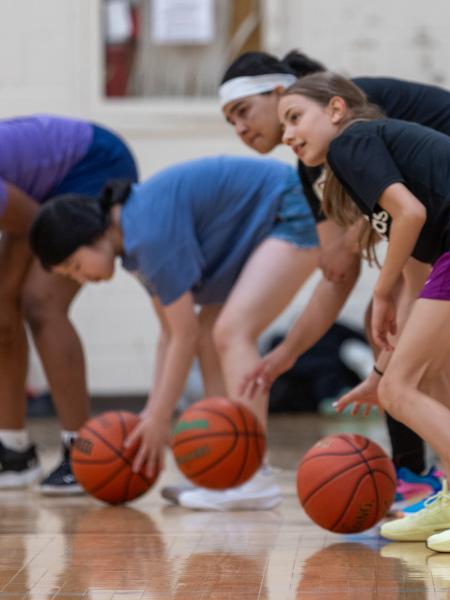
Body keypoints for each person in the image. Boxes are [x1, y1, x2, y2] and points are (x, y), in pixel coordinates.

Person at [219, 50, 450, 501]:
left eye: (243, 111)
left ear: (286, 94)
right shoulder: (315, 161)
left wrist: (380, 296)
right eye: (229, 121)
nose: (239, 129)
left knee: (404, 348)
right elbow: (337, 270)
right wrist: (288, 354)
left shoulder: (349, 124)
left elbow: (408, 213)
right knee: (413, 344)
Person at [29, 156, 320, 510]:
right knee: (214, 332)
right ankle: (232, 469)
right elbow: (170, 333)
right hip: (272, 212)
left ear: (92, 236)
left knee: (231, 332)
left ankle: (252, 475)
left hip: (292, 208)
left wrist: (159, 417)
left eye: (74, 266)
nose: (80, 279)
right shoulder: (133, 236)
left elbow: (183, 335)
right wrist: (153, 412)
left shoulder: (147, 235)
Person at [0, 115, 138, 495]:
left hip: (94, 164)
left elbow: (41, 224)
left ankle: (82, 450)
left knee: (39, 302)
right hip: (39, 191)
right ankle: (12, 450)